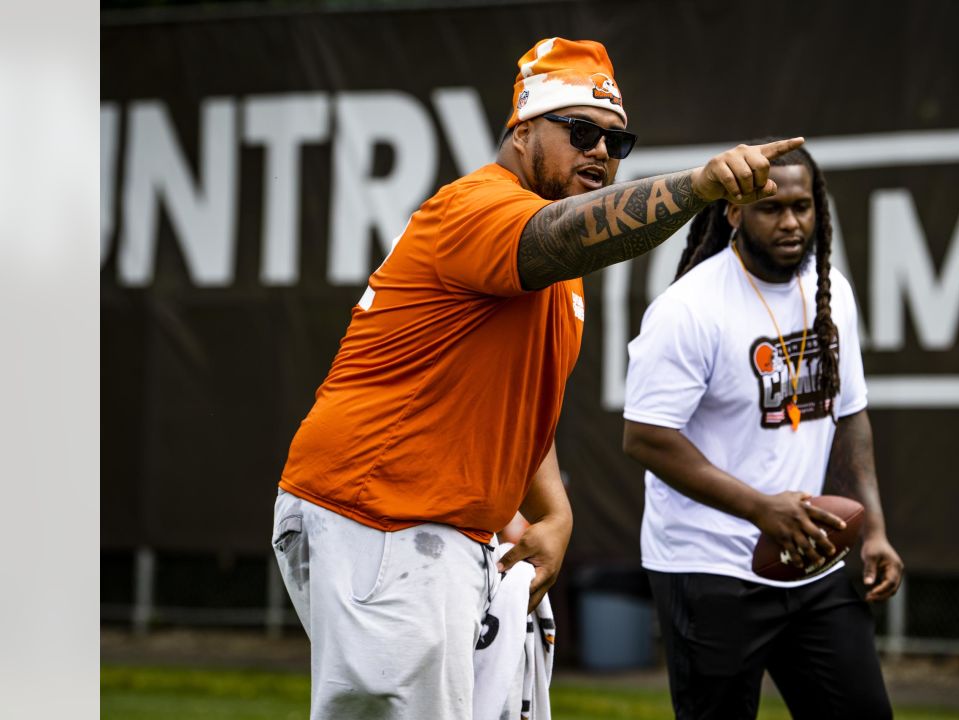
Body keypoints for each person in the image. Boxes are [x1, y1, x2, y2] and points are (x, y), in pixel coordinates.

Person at [270, 37, 805, 720]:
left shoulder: (553, 261)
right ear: (522, 132)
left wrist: (554, 509)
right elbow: (566, 234)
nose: (603, 153)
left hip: (439, 524)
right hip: (378, 512)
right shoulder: (480, 208)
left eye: (618, 140)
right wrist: (697, 187)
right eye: (581, 131)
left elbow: (519, 401)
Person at [622, 143, 902, 720]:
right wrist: (760, 509)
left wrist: (873, 528)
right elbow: (646, 437)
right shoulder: (690, 307)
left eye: (803, 208)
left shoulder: (833, 295)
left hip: (812, 557)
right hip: (708, 565)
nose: (792, 223)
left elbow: (850, 414)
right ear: (733, 211)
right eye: (772, 208)